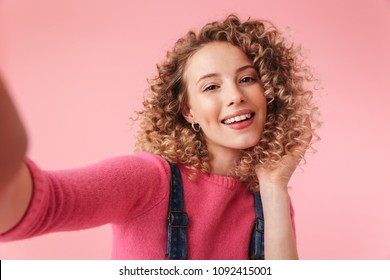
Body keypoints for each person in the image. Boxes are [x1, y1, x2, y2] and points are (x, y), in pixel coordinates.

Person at [0, 15, 319, 259]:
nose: (235, 95)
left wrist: (275, 185)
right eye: (211, 86)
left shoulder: (267, 198)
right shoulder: (148, 179)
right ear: (188, 111)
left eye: (247, 78)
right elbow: (42, 206)